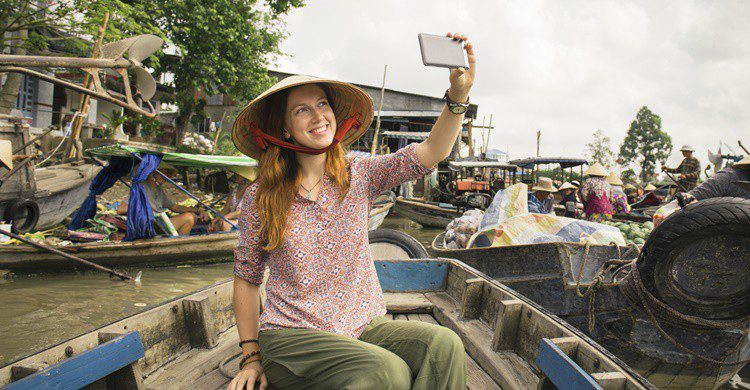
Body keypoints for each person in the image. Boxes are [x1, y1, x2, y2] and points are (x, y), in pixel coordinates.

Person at [228, 33, 475, 390]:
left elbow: (431, 152)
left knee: (444, 345)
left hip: (360, 326)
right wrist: (251, 358)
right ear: (284, 127)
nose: (318, 116)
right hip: (292, 339)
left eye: (323, 105)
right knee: (387, 371)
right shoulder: (261, 198)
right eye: (302, 110)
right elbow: (247, 279)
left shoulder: (358, 173)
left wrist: (459, 96)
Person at [117, 168, 206, 235]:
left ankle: (177, 242)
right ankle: (178, 244)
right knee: (188, 218)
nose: (166, 177)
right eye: (163, 174)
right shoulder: (141, 188)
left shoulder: (158, 190)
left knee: (193, 216)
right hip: (149, 225)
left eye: (167, 174)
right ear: (153, 174)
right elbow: (120, 209)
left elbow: (175, 207)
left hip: (159, 224)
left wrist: (197, 210)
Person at [678, 155, 750, 203]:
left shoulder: (696, 161)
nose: (683, 153)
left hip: (691, 184)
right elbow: (686, 200)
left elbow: (697, 173)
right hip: (685, 186)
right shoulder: (729, 178)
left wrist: (687, 176)